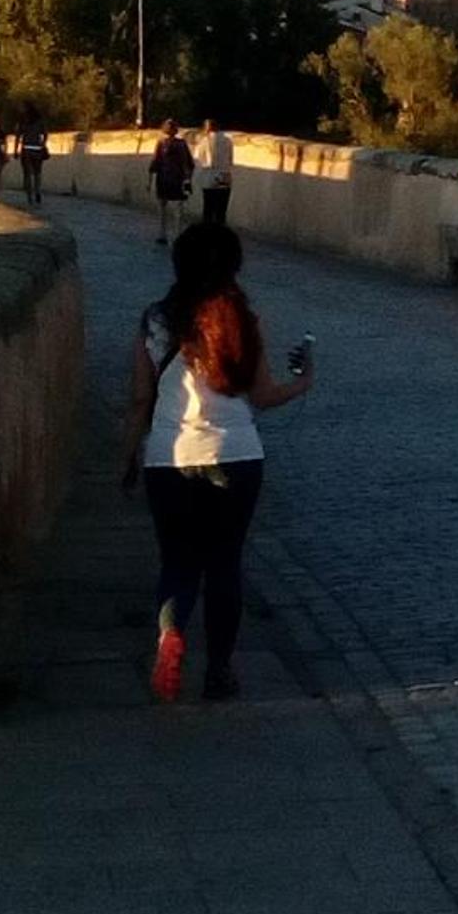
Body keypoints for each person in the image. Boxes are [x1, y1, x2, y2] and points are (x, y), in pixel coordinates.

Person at [119, 221, 313, 702]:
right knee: (225, 564)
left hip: (168, 457)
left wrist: (127, 456)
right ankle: (220, 671)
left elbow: (140, 399)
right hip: (236, 455)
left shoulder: (153, 321)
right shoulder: (244, 320)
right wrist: (304, 381)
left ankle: (170, 634)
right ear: (233, 266)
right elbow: (264, 396)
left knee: (179, 561)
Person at [147, 119, 195, 245]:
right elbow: (188, 164)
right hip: (177, 178)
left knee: (163, 207)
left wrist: (149, 180)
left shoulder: (161, 143)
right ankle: (177, 234)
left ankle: (162, 233)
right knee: (178, 207)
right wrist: (188, 179)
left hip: (164, 178)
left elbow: (155, 162)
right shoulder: (181, 144)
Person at [198, 119, 235, 226]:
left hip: (210, 177)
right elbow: (230, 160)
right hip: (225, 177)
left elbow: (202, 160)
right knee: (221, 211)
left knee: (208, 209)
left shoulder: (205, 140)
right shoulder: (228, 140)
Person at [14, 108, 49, 208]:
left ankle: (30, 197)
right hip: (37, 149)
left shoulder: (22, 122)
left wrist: (16, 151)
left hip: (26, 149)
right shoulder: (40, 122)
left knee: (27, 174)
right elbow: (45, 134)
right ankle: (37, 190)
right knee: (38, 172)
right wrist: (42, 144)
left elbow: (17, 137)